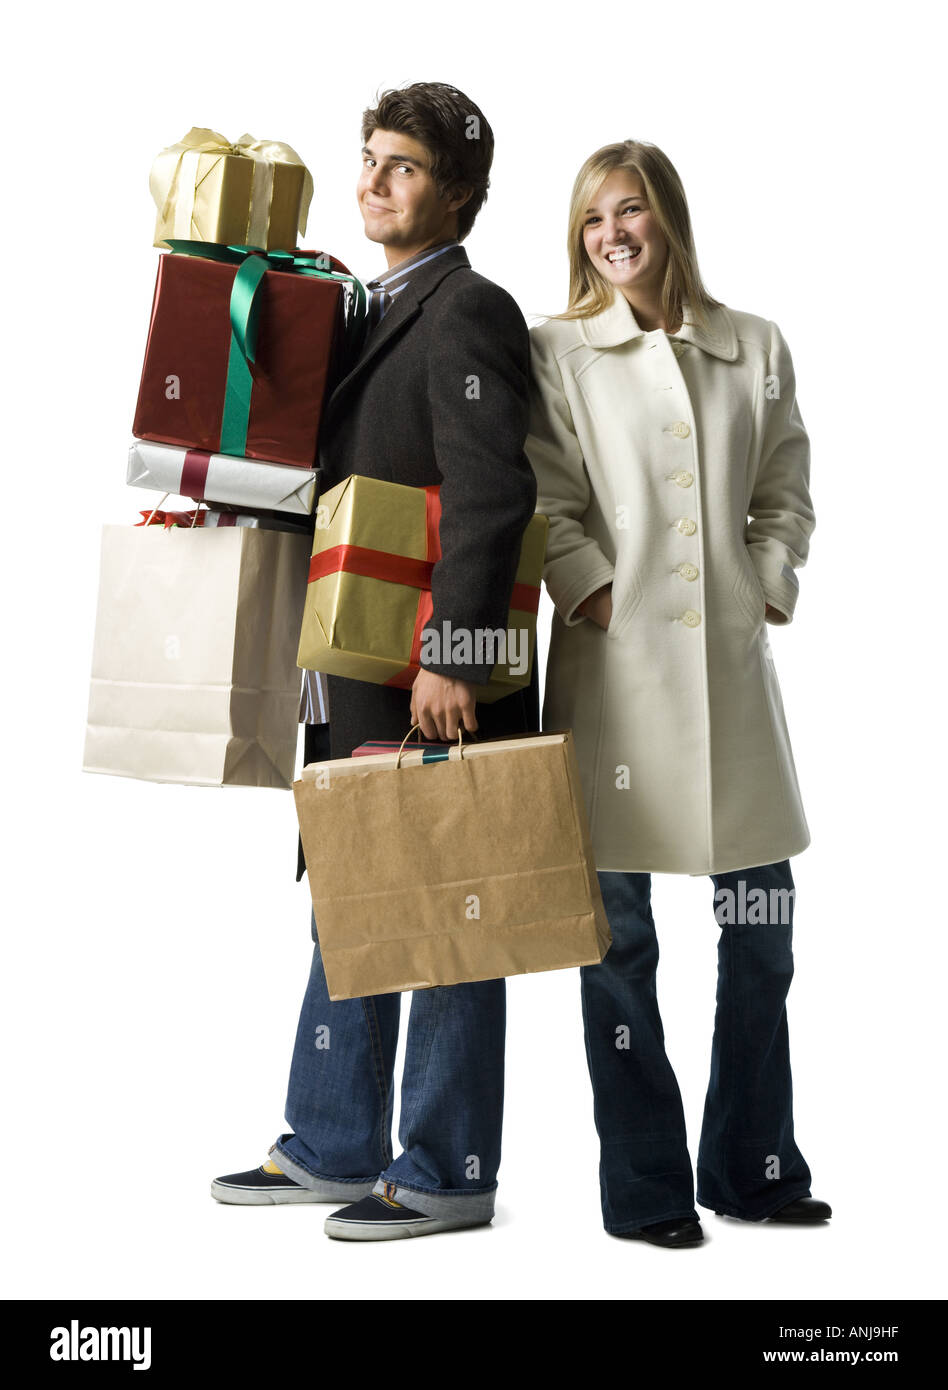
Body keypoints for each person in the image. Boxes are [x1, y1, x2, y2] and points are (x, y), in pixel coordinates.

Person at [212, 83, 539, 1241]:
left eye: (400, 165)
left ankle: (448, 1167)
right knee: (356, 888)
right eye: (368, 157)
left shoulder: (468, 311)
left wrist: (454, 653)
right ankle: (333, 1137)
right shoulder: (355, 307)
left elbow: (496, 489)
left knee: (449, 905)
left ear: (455, 194)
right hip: (352, 657)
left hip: (432, 671)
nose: (372, 178)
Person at [525, 139, 831, 1247]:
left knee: (761, 931)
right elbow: (544, 498)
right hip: (614, 682)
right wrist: (592, 593)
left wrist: (767, 584)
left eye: (631, 211)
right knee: (618, 945)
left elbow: (786, 487)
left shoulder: (754, 345)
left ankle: (753, 1164)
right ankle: (648, 1190)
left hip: (733, 683)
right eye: (593, 219)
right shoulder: (557, 349)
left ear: (670, 219)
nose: (613, 234)